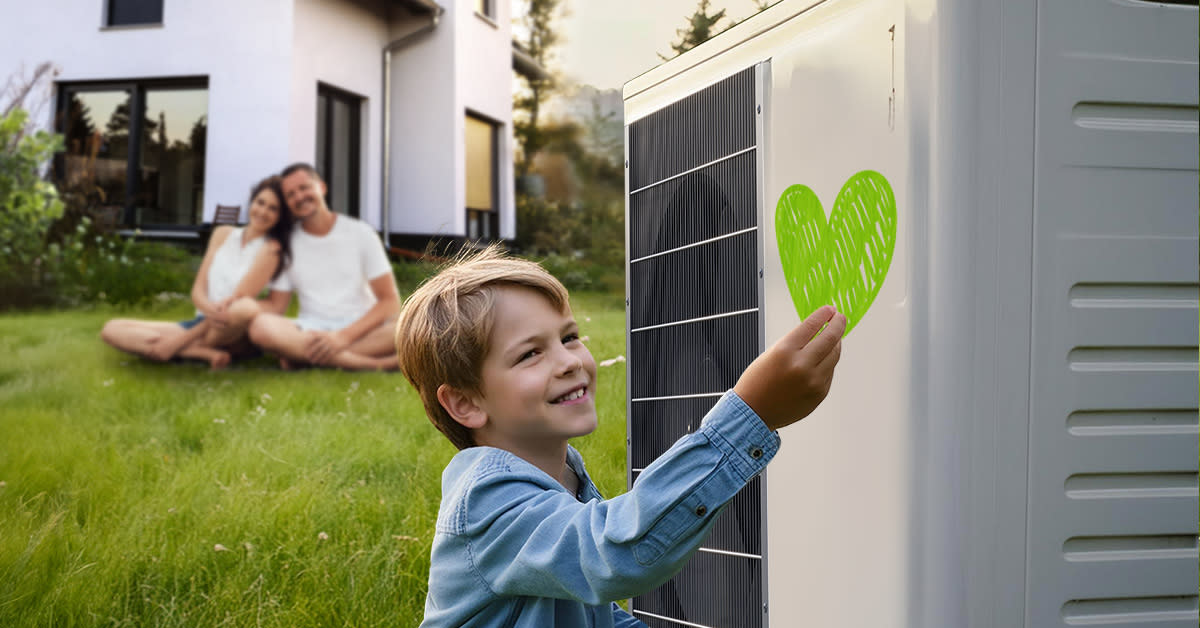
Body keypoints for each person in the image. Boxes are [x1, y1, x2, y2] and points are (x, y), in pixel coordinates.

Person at [393, 246, 847, 628]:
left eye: (569, 337)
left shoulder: (562, 473)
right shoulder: (486, 501)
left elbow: (598, 615)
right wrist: (752, 414)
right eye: (531, 353)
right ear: (466, 404)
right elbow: (615, 553)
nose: (570, 360)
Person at [100, 176, 293, 369]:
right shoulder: (222, 233)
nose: (263, 211)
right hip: (204, 322)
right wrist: (206, 312)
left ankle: (183, 347)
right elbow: (198, 291)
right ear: (252, 201)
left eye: (273, 208)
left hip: (232, 326)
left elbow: (235, 303)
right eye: (260, 202)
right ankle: (199, 352)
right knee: (111, 329)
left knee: (245, 307)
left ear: (280, 217)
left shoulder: (271, 249)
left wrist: (179, 340)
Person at [248, 163, 400, 371]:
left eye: (304, 188)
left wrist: (342, 338)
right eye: (290, 194)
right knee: (260, 327)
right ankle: (375, 364)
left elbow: (390, 301)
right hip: (311, 329)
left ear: (322, 187)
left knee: (404, 328)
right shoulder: (286, 244)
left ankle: (301, 357)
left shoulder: (361, 233)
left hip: (363, 328)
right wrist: (239, 307)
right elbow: (276, 304)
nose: (299, 197)